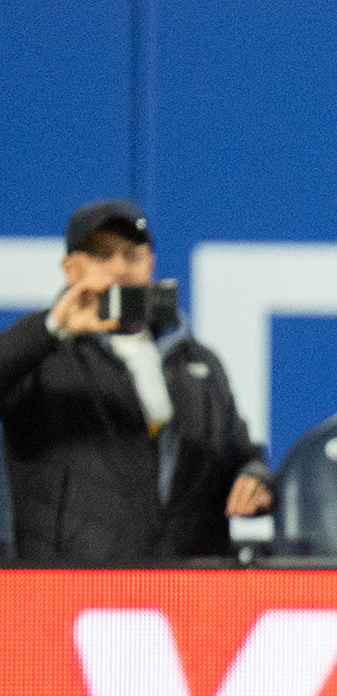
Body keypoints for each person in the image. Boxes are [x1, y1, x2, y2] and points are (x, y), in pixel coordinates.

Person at [0, 199, 272, 563]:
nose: (119, 269)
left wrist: (256, 480)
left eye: (132, 256)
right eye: (101, 256)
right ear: (70, 269)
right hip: (68, 591)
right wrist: (51, 329)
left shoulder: (198, 363)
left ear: (151, 265)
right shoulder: (42, 356)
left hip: (185, 588)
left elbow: (239, 455)